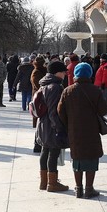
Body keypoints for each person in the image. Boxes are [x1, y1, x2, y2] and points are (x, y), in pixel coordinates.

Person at [58, 62, 107, 199]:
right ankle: (89, 188)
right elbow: (104, 110)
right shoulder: (95, 90)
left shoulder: (67, 91)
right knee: (91, 158)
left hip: (74, 130)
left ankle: (78, 188)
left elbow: (60, 111)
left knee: (77, 159)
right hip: (91, 130)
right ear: (89, 74)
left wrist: (69, 123)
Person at [36, 60, 70, 192]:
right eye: (63, 72)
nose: (65, 74)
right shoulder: (55, 87)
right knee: (53, 152)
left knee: (45, 151)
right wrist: (59, 128)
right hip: (51, 125)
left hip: (43, 124)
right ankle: (52, 183)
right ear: (57, 73)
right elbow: (53, 111)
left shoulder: (44, 84)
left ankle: (44, 182)